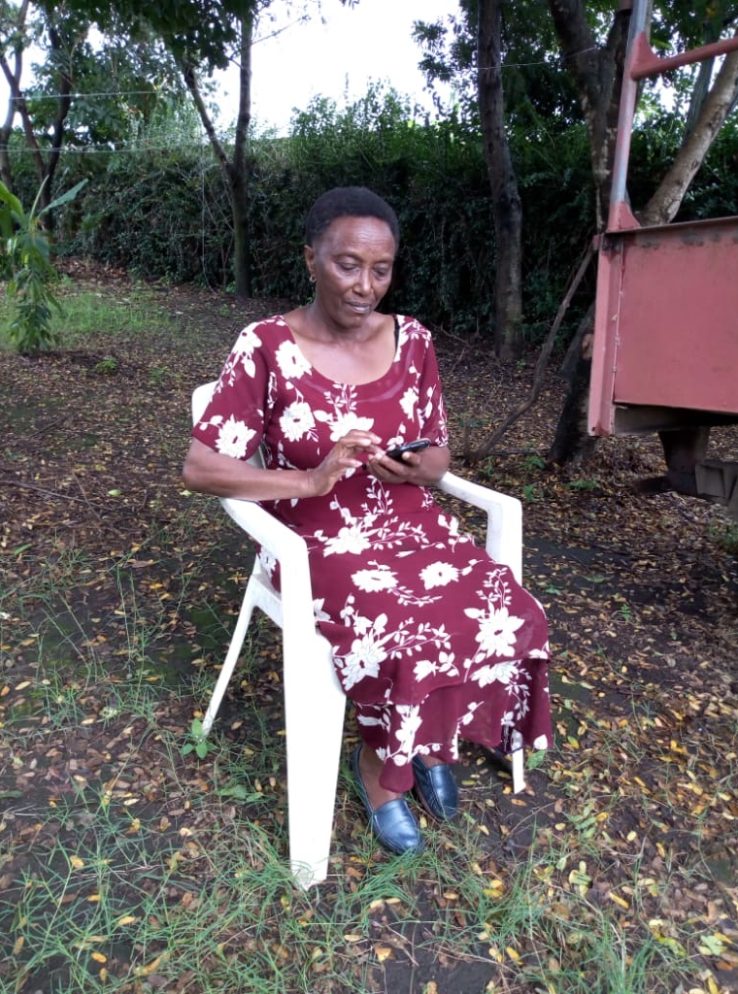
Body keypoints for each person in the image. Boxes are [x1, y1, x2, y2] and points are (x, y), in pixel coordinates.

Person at [183, 186, 551, 855]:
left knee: (507, 607)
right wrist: (310, 478)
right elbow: (203, 468)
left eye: (380, 270)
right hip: (316, 539)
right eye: (347, 265)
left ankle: (432, 746)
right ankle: (382, 774)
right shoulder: (265, 345)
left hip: (413, 526)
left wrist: (419, 469)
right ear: (311, 258)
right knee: (402, 624)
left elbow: (438, 447)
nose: (364, 287)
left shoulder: (413, 341)